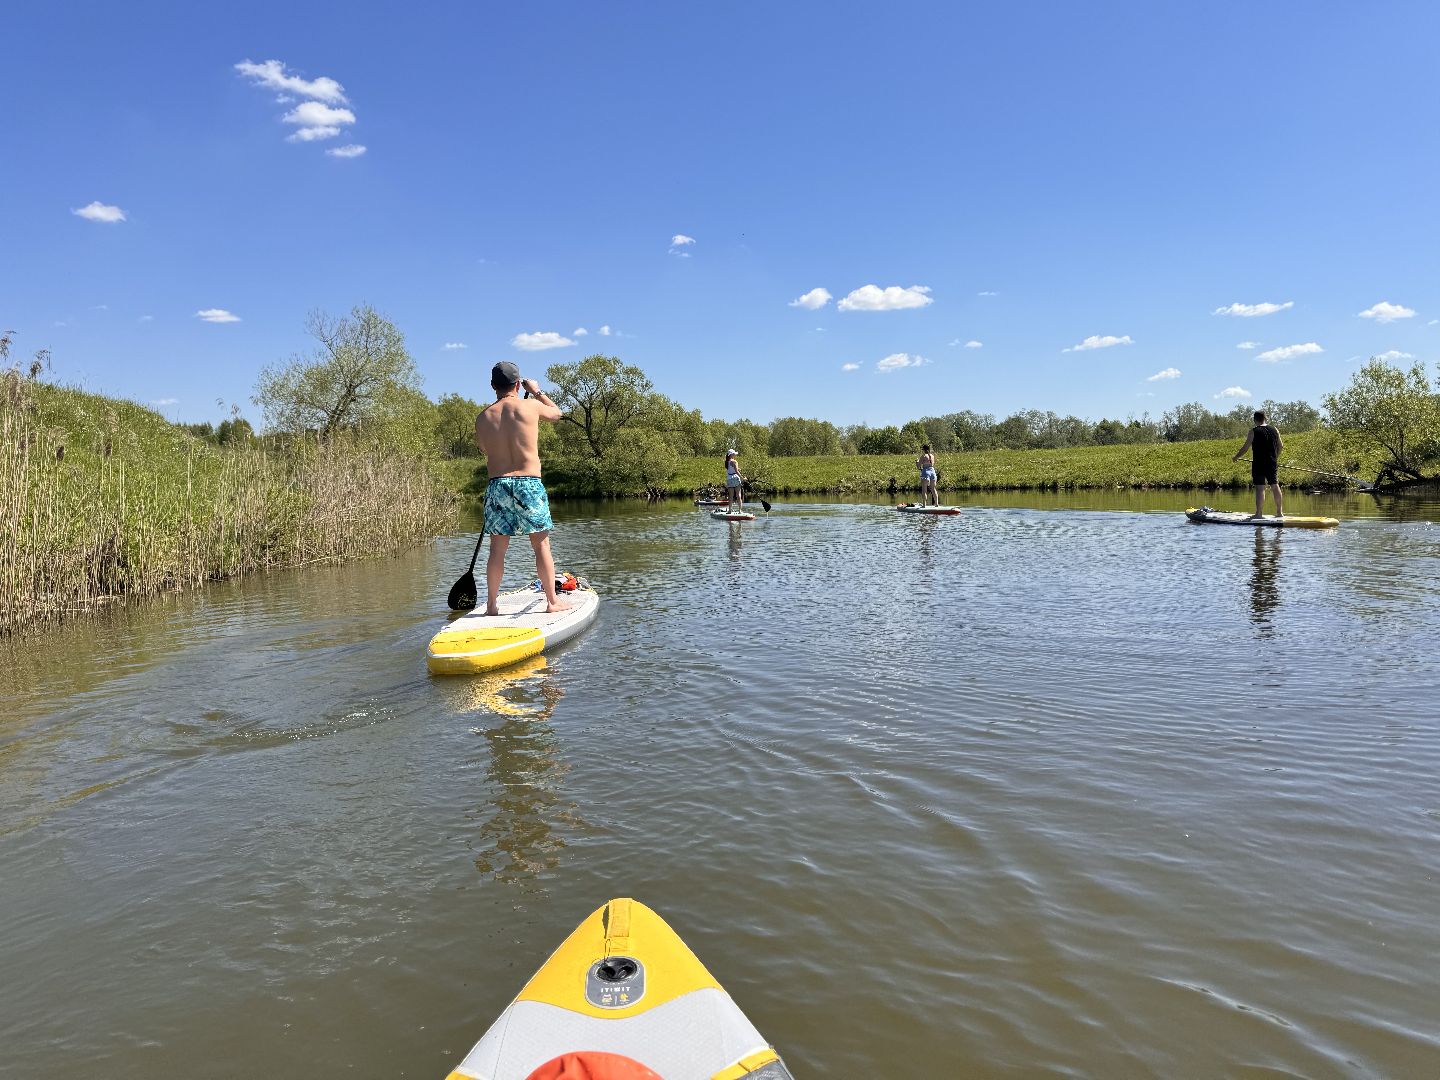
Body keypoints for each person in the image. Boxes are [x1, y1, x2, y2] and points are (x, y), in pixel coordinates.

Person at [473, 361, 570, 615]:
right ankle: (552, 602)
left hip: (498, 485)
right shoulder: (531, 405)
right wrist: (536, 391)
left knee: (497, 549)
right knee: (541, 546)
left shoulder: (482, 418)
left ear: (493, 386)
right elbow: (557, 413)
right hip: (529, 483)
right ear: (518, 384)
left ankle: (492, 606)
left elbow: (484, 449)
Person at [1232, 409, 1284, 519]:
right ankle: (1279, 513)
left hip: (1259, 464)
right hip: (1272, 463)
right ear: (1266, 418)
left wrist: (1236, 457)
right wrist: (1275, 458)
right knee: (1275, 486)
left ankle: (1259, 514)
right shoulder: (1275, 429)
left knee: (1260, 488)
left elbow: (1245, 448)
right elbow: (1281, 446)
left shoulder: (1253, 431)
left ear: (1255, 420)